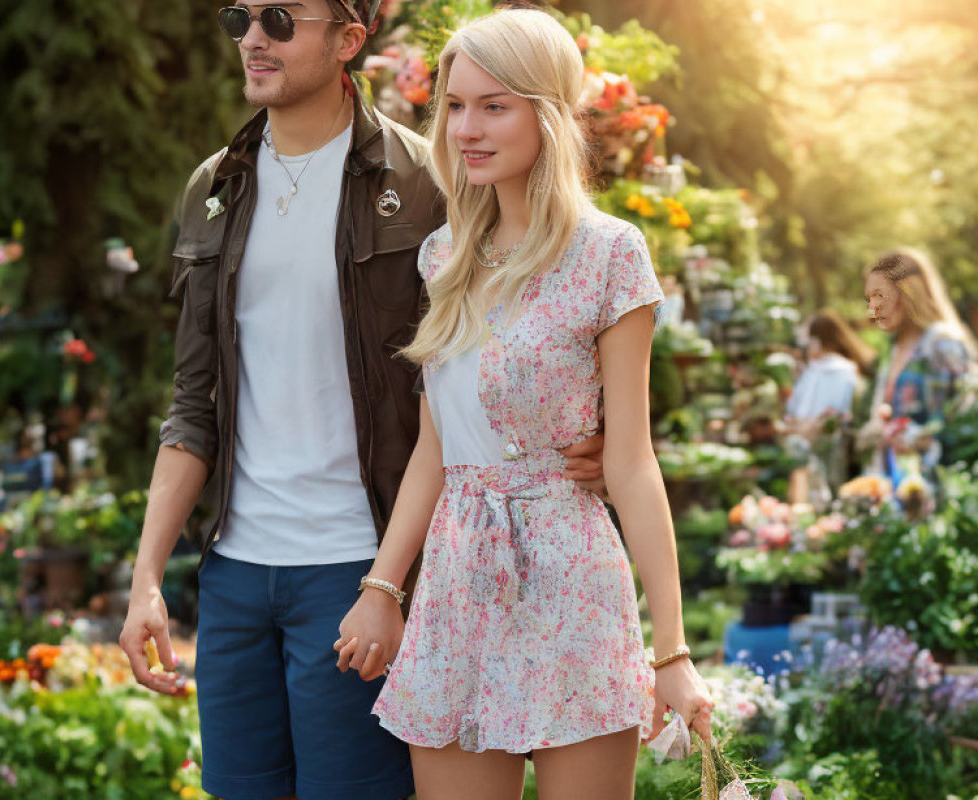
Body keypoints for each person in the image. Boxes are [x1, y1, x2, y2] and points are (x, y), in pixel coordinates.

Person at [119, 3, 603, 798]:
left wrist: (596, 429)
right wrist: (146, 580)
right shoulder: (215, 187)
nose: (252, 38)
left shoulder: (427, 184)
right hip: (235, 577)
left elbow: (517, 337)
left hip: (360, 567)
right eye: (239, 16)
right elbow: (193, 400)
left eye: (279, 17)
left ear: (349, 40)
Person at [332, 9, 713, 800]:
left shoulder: (611, 254)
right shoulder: (444, 257)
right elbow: (438, 449)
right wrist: (382, 588)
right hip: (459, 579)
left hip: (573, 576)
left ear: (546, 112)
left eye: (493, 105)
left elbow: (632, 462)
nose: (466, 127)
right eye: (455, 105)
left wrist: (671, 653)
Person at [862, 248, 976, 481]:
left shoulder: (943, 344)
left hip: (939, 491)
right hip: (896, 489)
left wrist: (914, 437)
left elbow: (964, 425)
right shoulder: (893, 347)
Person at [784, 309, 874, 503]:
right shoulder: (817, 369)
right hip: (812, 449)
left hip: (832, 453)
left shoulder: (841, 371)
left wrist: (811, 426)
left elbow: (838, 414)